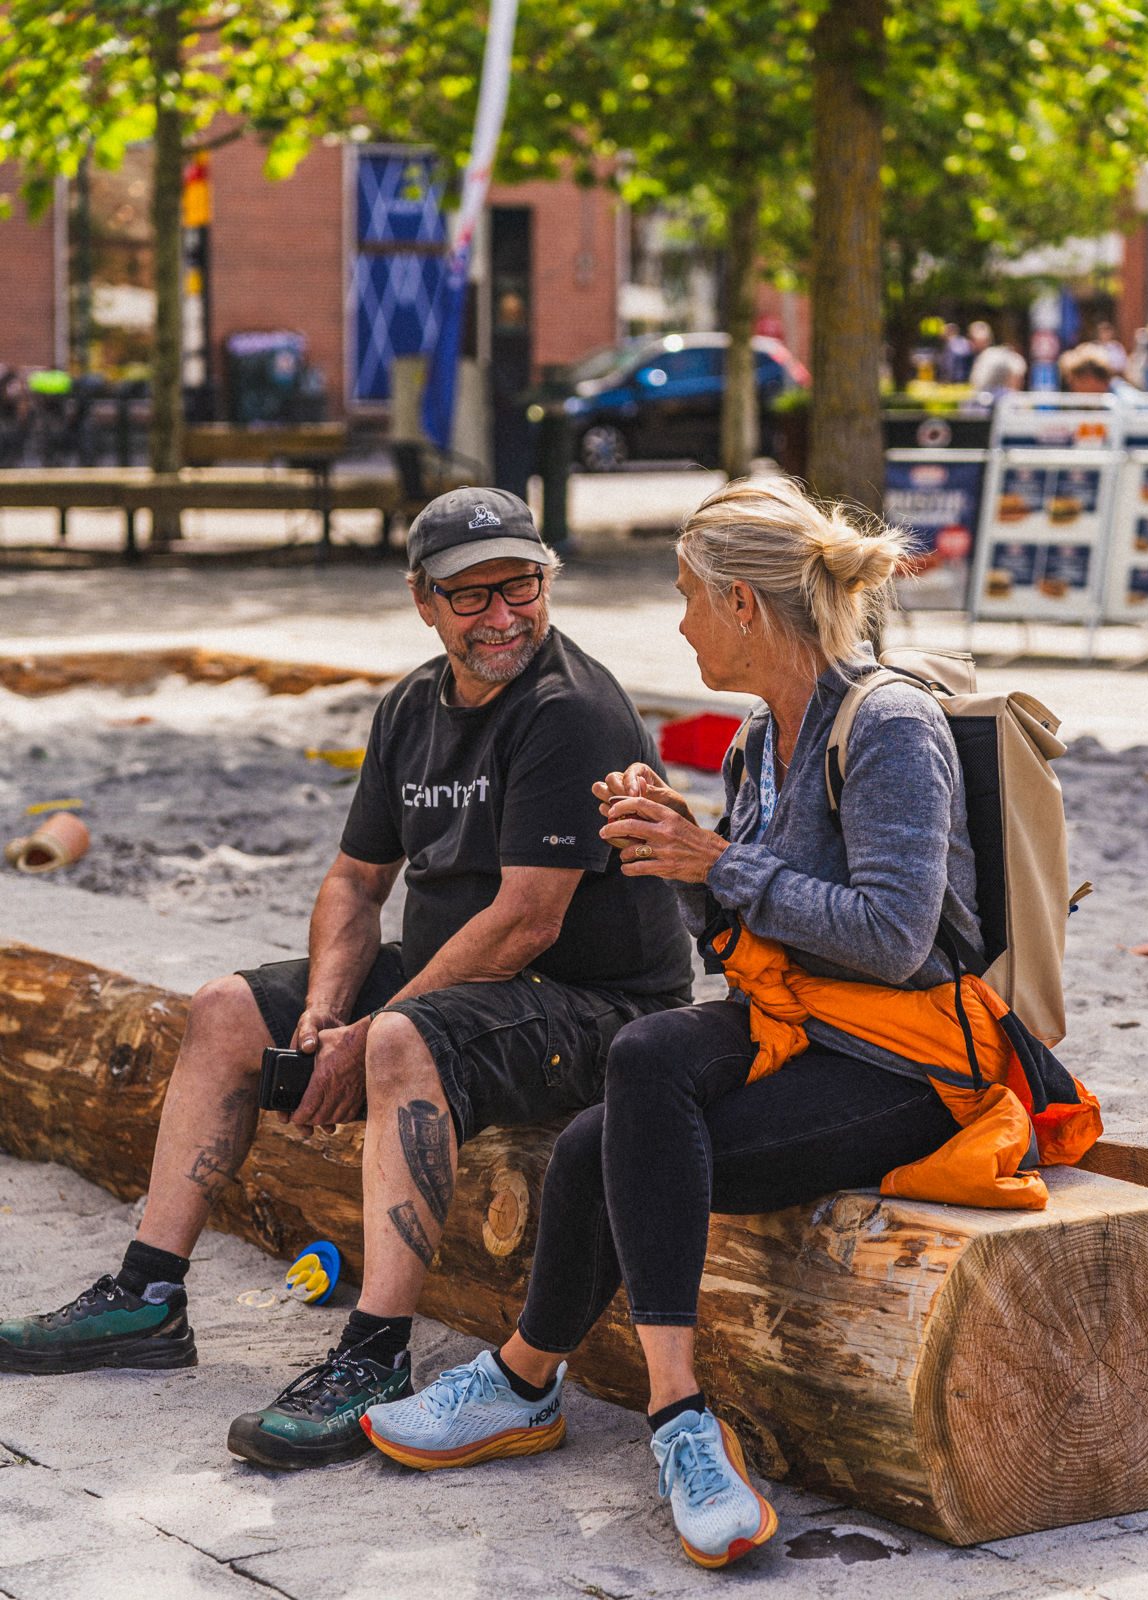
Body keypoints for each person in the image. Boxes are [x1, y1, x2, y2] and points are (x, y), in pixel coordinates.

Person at [0, 486, 693, 1471]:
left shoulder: (569, 710)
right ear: (422, 599)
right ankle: (147, 1297)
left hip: (595, 1003)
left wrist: (374, 1033)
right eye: (473, 596)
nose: (504, 615)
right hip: (469, 979)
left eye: (522, 587)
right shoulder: (412, 704)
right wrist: (326, 1011)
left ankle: (373, 1354)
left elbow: (526, 921)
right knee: (227, 1009)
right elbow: (356, 881)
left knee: (405, 1037)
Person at [360, 477, 982, 1568]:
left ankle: (671, 1413)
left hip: (908, 1058)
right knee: (615, 1124)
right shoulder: (757, 740)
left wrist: (715, 862)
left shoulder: (887, 725)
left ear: (742, 604)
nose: (680, 620)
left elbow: (891, 937)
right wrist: (675, 858)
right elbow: (751, 938)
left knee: (640, 1071)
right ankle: (523, 1381)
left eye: (689, 595)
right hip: (803, 1026)